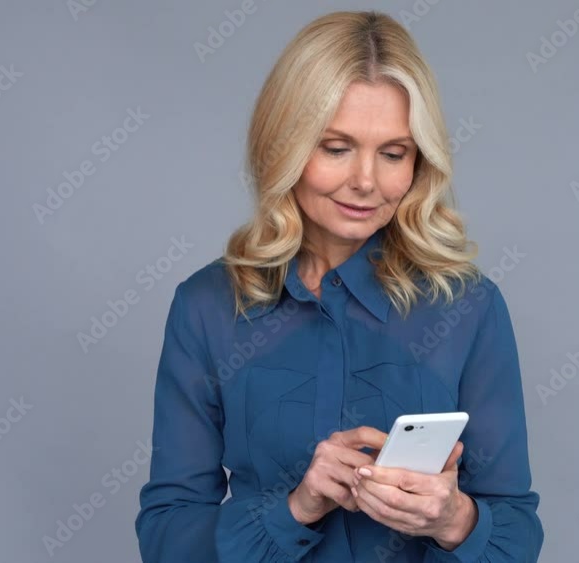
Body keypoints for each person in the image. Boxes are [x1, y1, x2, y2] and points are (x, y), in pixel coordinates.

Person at [135, 10, 543, 562]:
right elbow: (167, 539)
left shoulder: (467, 307)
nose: (366, 181)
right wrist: (297, 507)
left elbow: (516, 534)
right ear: (284, 146)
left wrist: (453, 519)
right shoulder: (207, 307)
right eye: (336, 147)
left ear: (419, 162)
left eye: (394, 153)